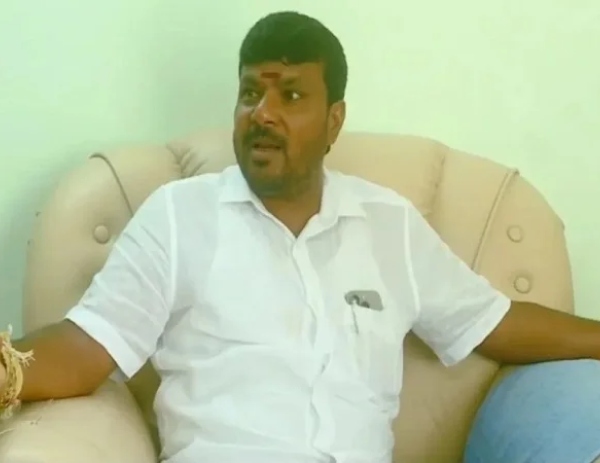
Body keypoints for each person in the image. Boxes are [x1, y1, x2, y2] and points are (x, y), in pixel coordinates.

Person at [0, 10, 598, 463]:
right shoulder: (179, 217)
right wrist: (8, 371)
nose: (262, 113)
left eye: (290, 95)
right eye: (250, 93)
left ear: (334, 120)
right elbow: (86, 347)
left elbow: (494, 324)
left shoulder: (388, 226)